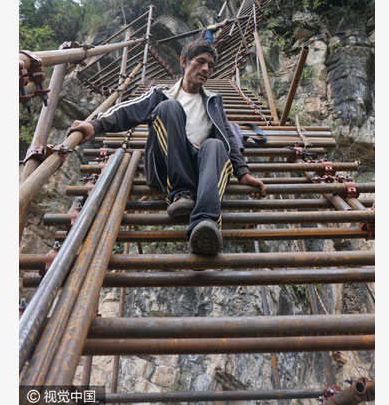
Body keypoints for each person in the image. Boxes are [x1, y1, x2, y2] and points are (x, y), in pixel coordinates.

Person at [67, 39, 266, 255]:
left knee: (216, 144)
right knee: (169, 108)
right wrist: (94, 125)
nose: (206, 69)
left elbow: (228, 135)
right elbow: (128, 111)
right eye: (200, 62)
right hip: (167, 167)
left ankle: (205, 224)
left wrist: (243, 173)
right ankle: (180, 193)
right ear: (184, 61)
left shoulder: (214, 100)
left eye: (211, 66)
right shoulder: (161, 94)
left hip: (202, 169)